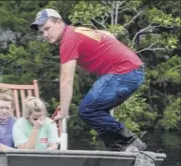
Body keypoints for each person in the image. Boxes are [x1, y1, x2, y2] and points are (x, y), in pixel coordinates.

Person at [30, 9, 147, 152]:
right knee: (95, 111)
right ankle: (118, 147)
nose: (45, 34)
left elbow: (66, 80)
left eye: (47, 29)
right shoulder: (77, 31)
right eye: (42, 32)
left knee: (88, 110)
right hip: (133, 70)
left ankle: (129, 142)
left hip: (124, 72)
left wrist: (64, 111)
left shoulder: (68, 40)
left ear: (59, 22)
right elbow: (108, 34)